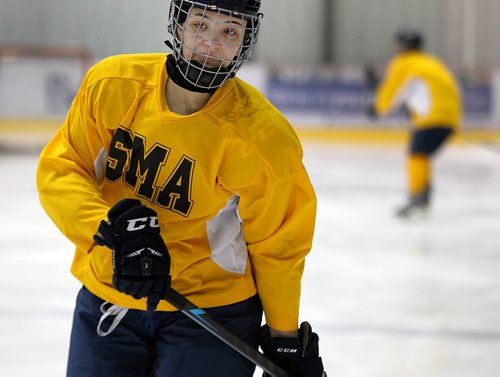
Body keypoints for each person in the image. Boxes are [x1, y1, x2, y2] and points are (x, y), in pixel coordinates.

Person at [36, 0, 325, 376]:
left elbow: (279, 246)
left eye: (230, 32)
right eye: (200, 24)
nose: (211, 42)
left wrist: (283, 335)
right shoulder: (112, 84)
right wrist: (110, 228)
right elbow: (61, 168)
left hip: (211, 312)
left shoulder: (264, 137)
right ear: (179, 24)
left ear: (245, 42)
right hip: (111, 296)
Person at [369, 29, 462, 219]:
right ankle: (423, 196)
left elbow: (393, 89)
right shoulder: (431, 61)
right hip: (450, 117)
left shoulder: (403, 62)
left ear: (402, 46)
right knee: (422, 155)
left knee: (416, 155)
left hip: (431, 117)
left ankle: (417, 198)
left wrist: (377, 108)